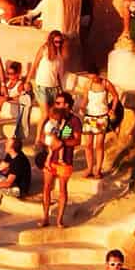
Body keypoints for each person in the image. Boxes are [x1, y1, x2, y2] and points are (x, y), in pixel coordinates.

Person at [41, 90, 82, 229]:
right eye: (56, 103)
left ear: (68, 105)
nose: (57, 105)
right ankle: (45, 217)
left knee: (62, 190)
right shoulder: (53, 116)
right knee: (46, 188)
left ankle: (59, 220)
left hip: (66, 159)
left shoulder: (74, 120)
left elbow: (77, 140)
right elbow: (45, 135)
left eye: (59, 103)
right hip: (51, 158)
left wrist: (63, 143)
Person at [79, 69, 116, 177]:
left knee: (99, 144)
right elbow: (85, 99)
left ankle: (98, 169)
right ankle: (89, 168)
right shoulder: (88, 84)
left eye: (94, 77)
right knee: (88, 145)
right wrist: (82, 107)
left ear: (98, 75)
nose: (92, 80)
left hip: (101, 116)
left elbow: (115, 96)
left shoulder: (106, 83)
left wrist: (112, 109)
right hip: (90, 116)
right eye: (90, 77)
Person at [30, 30, 67, 132]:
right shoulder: (44, 50)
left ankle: (48, 135)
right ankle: (38, 139)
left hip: (54, 87)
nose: (58, 44)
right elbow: (34, 65)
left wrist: (61, 90)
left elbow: (59, 75)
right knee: (45, 114)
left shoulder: (60, 55)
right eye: (56, 42)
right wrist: (27, 81)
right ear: (51, 41)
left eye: (60, 42)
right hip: (42, 86)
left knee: (53, 114)